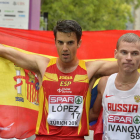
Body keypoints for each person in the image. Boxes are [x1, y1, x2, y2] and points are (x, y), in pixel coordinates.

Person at [0, 20, 118, 140]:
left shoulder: (91, 69)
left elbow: (127, 64)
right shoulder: (42, 65)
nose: (65, 48)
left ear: (79, 43)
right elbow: (6, 52)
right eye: (60, 42)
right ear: (55, 42)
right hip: (45, 137)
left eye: (70, 43)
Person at [89, 33, 140, 140]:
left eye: (135, 53)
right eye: (124, 52)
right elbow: (93, 114)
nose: (129, 58)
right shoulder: (104, 83)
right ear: (116, 54)